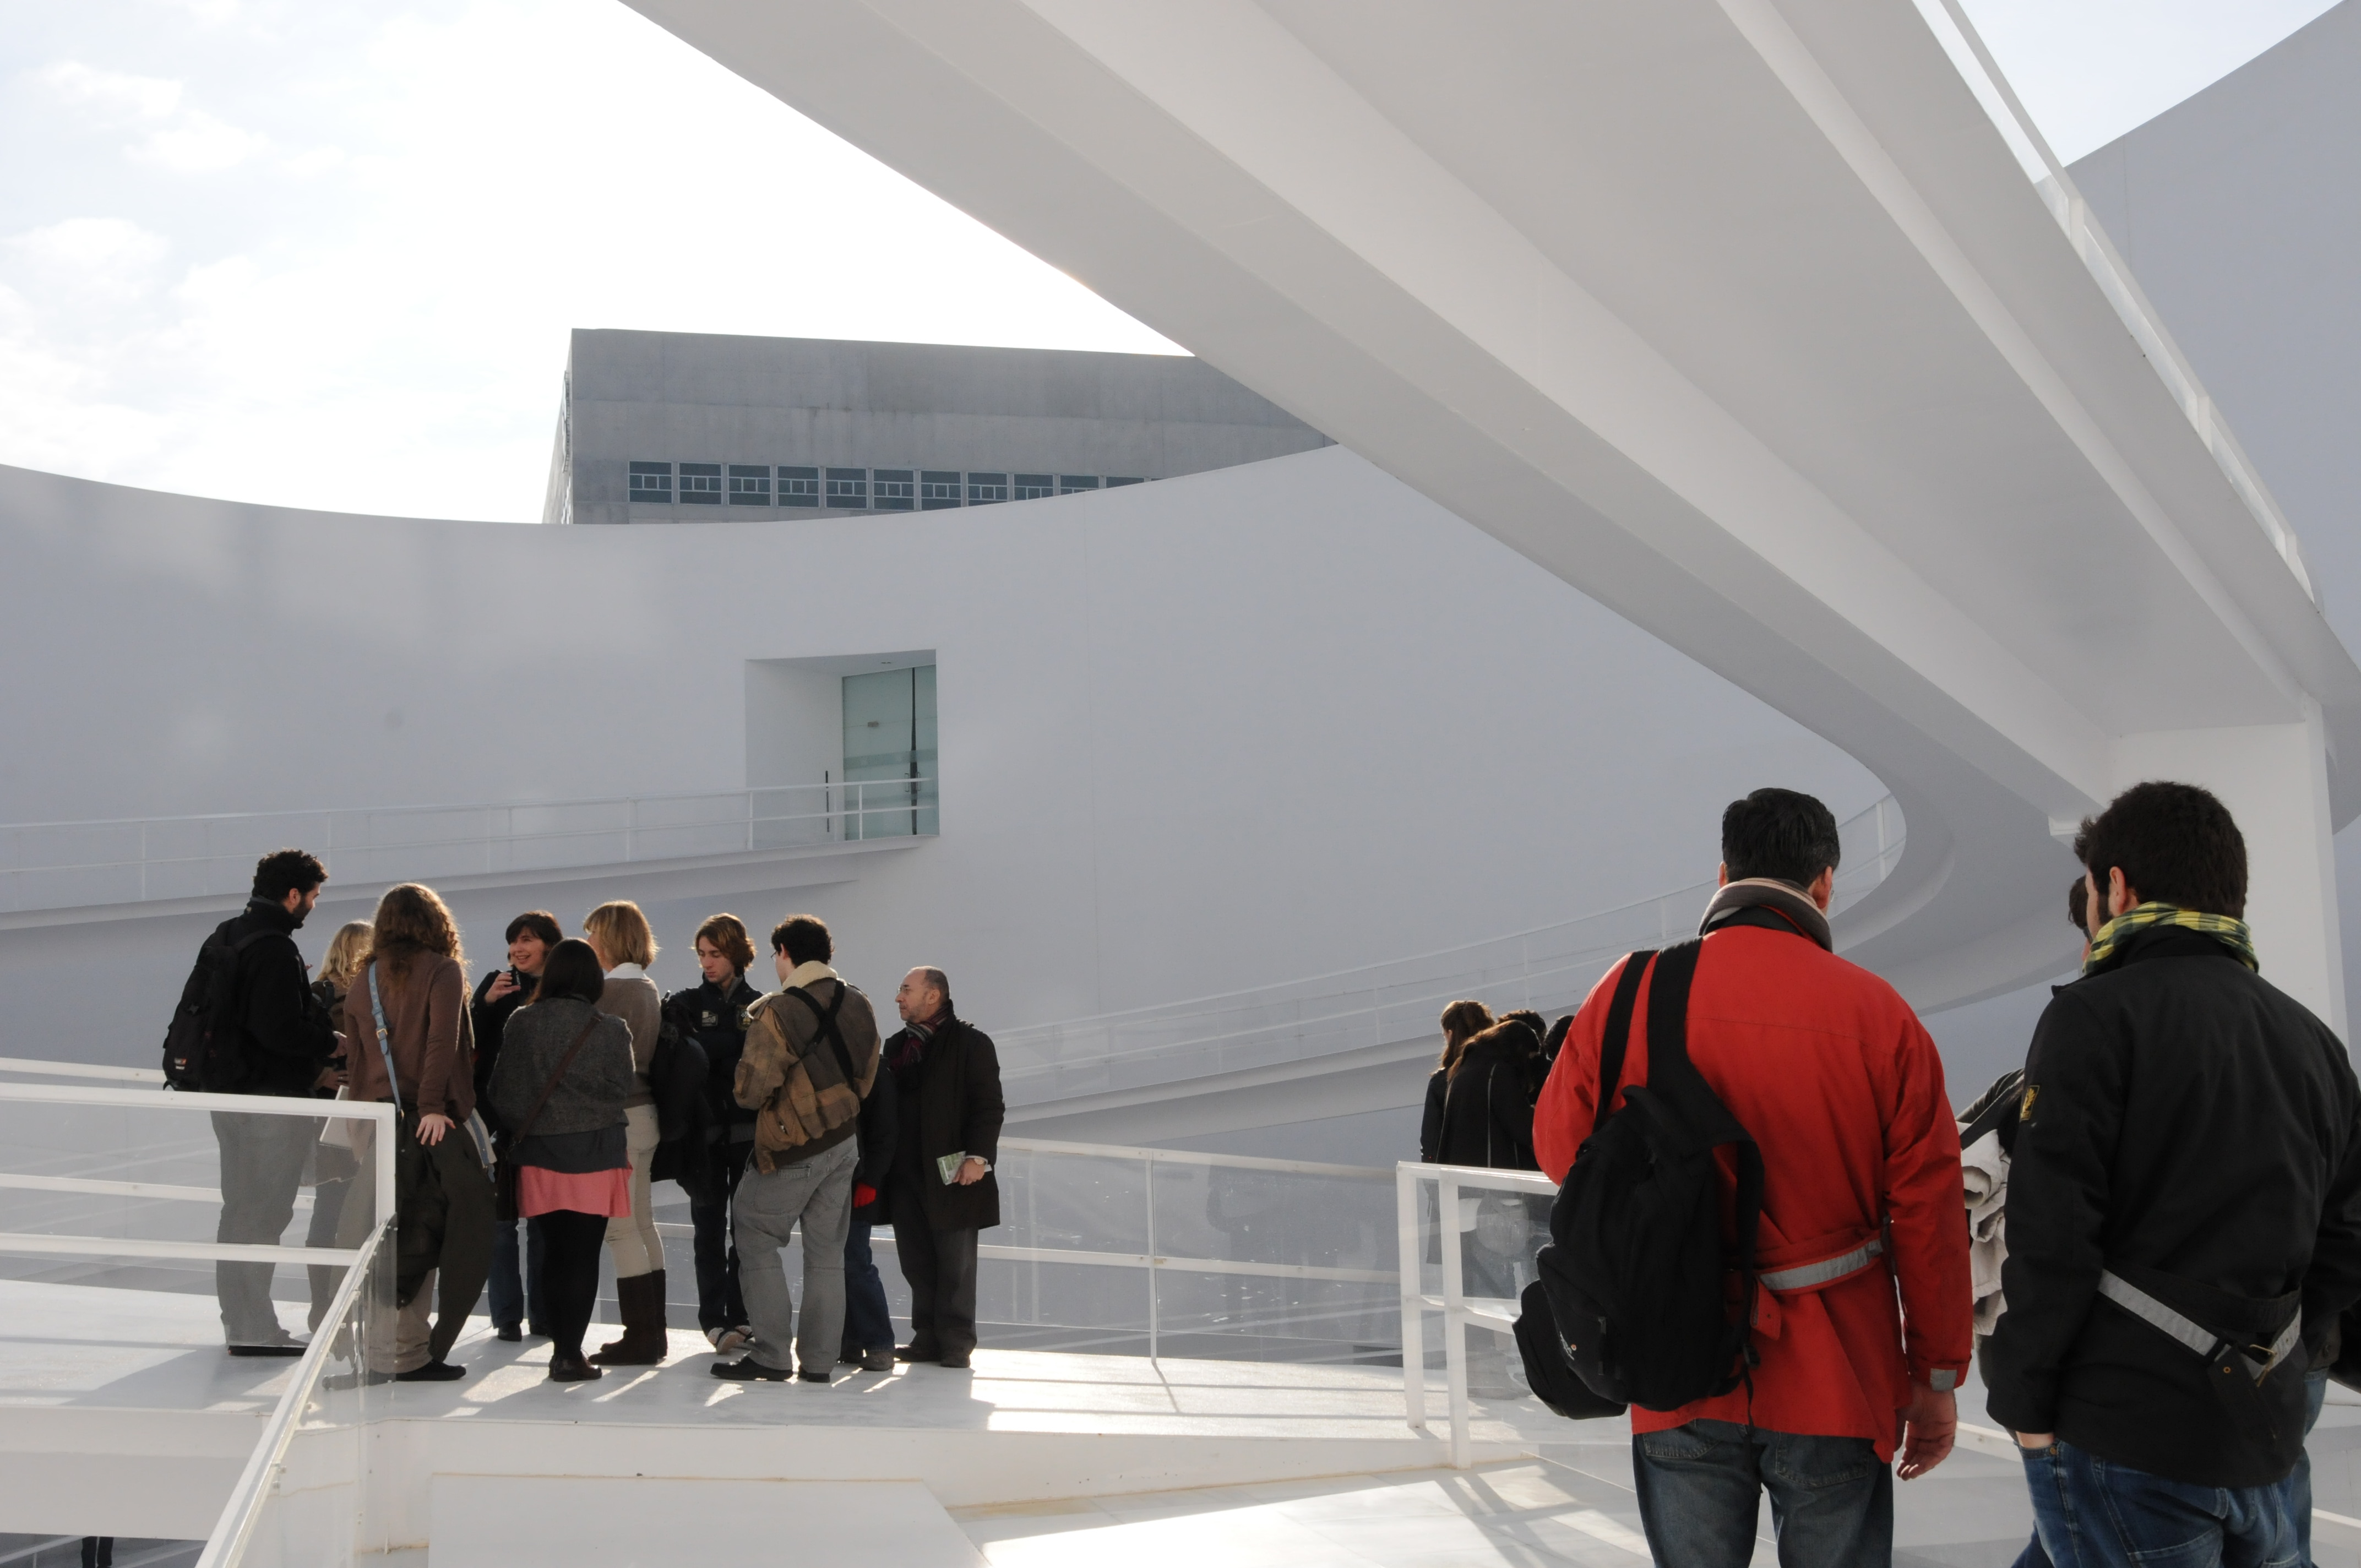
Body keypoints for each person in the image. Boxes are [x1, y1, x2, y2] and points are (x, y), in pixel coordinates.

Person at [1533, 788, 1971, 1567]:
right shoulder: (1881, 1016)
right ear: (1825, 883)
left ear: (1725, 869)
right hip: (1839, 1375)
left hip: (1676, 1367)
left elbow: (1561, 1153)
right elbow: (1930, 1216)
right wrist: (1936, 1376)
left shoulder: (1627, 994)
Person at [1984, 782, 2361, 1568]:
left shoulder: (2092, 1017)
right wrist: (2282, 1356)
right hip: (2265, 1432)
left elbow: (2055, 1236)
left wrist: (2023, 1403)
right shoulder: (2314, 1043)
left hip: (2125, 1432)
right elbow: (2345, 1238)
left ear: (2115, 887)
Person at [714, 914, 882, 1383]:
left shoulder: (780, 1011)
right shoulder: (858, 1002)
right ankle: (819, 1363)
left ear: (785, 952)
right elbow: (868, 1075)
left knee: (754, 1232)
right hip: (844, 1141)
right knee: (827, 1254)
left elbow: (750, 1090)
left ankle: (771, 1354)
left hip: (793, 1145)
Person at [340, 882, 496, 1382]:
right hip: (427, 1124)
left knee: (383, 1235)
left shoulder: (365, 976)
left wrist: (361, 1121)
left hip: (376, 1123)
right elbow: (441, 1041)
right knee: (429, 1230)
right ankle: (407, 1354)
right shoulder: (443, 970)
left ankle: (379, 1351)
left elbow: (359, 1057)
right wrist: (431, 1105)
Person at [207, 849, 341, 1355]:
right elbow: (278, 1030)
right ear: (293, 895)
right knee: (264, 1212)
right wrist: (331, 1044)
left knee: (238, 1210)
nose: (312, 905)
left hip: (228, 1098)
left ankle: (240, 1321)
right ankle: (254, 1329)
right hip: (270, 1101)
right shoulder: (276, 948)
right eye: (312, 896)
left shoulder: (227, 934)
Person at [486, 939, 635, 1384]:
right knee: (583, 1257)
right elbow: (619, 1091)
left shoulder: (523, 1022)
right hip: (595, 1153)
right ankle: (572, 1354)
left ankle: (559, 1352)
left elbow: (503, 1094)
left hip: (540, 1155)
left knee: (553, 1253)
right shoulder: (611, 1028)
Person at [880, 965, 1004, 1370]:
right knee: (915, 1259)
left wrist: (978, 1158)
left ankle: (956, 1342)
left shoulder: (972, 1043)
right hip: (905, 1172)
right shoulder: (897, 1046)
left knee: (955, 1262)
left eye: (906, 990)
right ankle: (927, 1337)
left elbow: (988, 1106)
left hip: (955, 1173)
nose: (899, 998)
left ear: (933, 995)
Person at [667, 913, 763, 1354]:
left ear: (737, 954)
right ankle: (713, 1320)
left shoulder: (761, 1004)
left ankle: (741, 1316)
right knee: (707, 1227)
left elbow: (751, 1059)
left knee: (745, 1230)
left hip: (746, 1135)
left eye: (716, 954)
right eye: (703, 954)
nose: (707, 963)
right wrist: (730, 1045)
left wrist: (714, 1046)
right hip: (704, 1138)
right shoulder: (685, 1002)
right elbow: (686, 1056)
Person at [581, 900, 668, 1366]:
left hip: (620, 1119)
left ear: (610, 937)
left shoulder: (609, 992)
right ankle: (653, 1333)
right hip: (647, 1113)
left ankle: (640, 1335)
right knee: (643, 1223)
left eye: (593, 932)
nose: (588, 941)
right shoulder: (647, 986)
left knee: (620, 1231)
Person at [472, 910, 561, 1343]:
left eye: (527, 940)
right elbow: (468, 1042)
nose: (518, 950)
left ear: (549, 945)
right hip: (496, 1117)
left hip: (544, 1120)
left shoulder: (563, 988)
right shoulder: (496, 984)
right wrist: (485, 1003)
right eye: (513, 941)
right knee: (501, 1222)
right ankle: (507, 1316)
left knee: (544, 1221)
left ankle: (543, 1314)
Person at [1433, 1017, 1542, 1305]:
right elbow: (1522, 1128)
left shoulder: (1464, 1069)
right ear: (1517, 1049)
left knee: (1476, 1283)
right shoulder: (1499, 1073)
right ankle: (1497, 1345)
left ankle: (1477, 1345)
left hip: (1465, 1195)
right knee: (1499, 1281)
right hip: (1495, 1197)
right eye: (1529, 1056)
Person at [303, 919, 373, 1333]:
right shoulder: (328, 996)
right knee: (337, 1210)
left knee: (343, 1209)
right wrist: (322, 1077)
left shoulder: (320, 993)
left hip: (345, 1116)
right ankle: (327, 1306)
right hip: (340, 1120)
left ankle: (332, 1306)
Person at [842, 1043, 900, 1372]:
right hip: (836, 1180)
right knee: (836, 1263)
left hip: (857, 1180)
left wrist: (871, 1181)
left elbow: (884, 1132)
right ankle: (849, 1341)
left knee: (854, 1261)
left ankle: (879, 1343)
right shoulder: (844, 1063)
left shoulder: (875, 1071)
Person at [1419, 999, 1493, 1164]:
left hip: (1459, 1174)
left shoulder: (1441, 1082)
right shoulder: (1502, 1071)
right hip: (1503, 1170)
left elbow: (1431, 1140)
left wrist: (1432, 1182)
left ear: (1450, 1034)